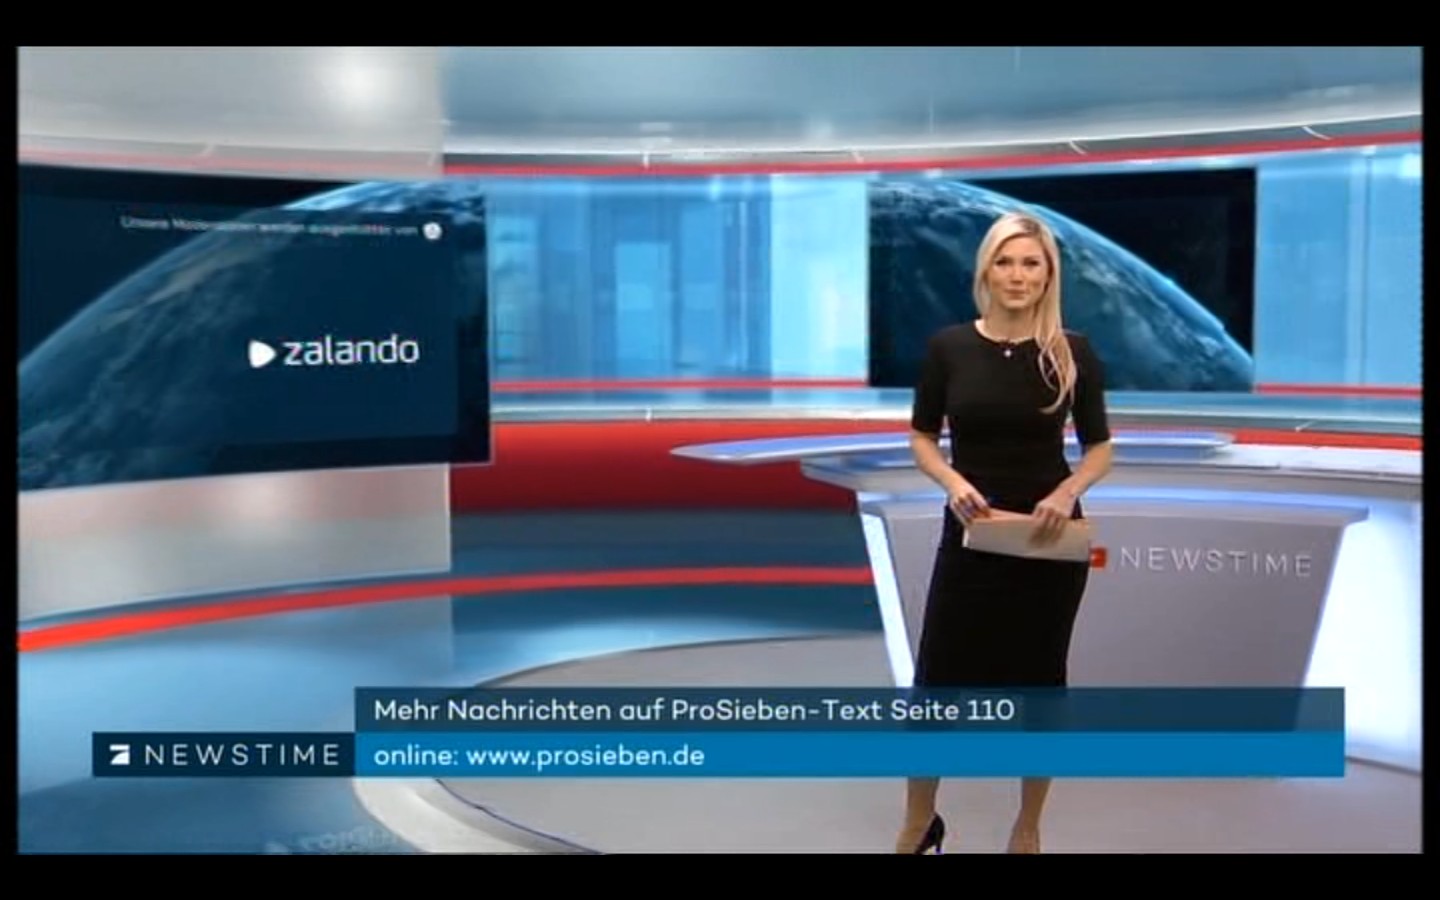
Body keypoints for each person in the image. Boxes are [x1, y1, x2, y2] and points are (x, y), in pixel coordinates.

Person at [895, 211, 1114, 855]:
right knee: (936, 683)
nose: (1018, 276)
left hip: (1048, 541)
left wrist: (1066, 492)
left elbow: (1100, 448)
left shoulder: (1072, 352)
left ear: (1048, 276)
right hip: (972, 533)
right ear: (986, 272)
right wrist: (951, 481)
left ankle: (1027, 827)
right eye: (1005, 261)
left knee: (1041, 684)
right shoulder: (949, 347)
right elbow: (921, 437)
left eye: (1031, 263)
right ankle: (919, 823)